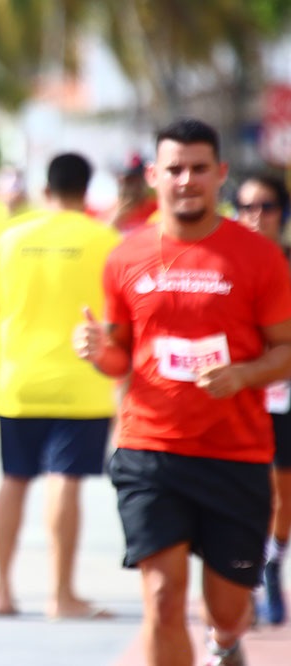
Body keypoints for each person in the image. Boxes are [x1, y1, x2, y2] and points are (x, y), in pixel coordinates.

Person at [74, 118, 291, 666]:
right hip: (150, 450)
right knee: (164, 600)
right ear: (154, 175)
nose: (186, 179)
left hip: (235, 454)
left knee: (228, 609)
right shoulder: (125, 256)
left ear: (220, 174)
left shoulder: (258, 256)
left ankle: (226, 643)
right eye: (174, 168)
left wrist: (241, 375)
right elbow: (122, 355)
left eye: (199, 168)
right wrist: (100, 352)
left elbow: (287, 348)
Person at [0, 152, 120, 619]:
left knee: (14, 480)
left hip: (18, 381)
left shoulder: (10, 237)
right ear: (86, 188)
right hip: (83, 381)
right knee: (65, 481)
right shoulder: (107, 240)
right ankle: (61, 595)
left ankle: (1, 592)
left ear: (45, 190)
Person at [234, 172, 291, 626]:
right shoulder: (225, 265)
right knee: (240, 491)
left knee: (282, 494)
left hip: (284, 395)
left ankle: (271, 563)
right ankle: (243, 577)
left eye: (266, 206)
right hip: (239, 397)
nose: (256, 216)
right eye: (247, 206)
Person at [106, 153, 158, 234]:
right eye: (128, 181)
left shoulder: (159, 208)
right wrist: (118, 219)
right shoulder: (106, 212)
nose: (132, 187)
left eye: (137, 180)